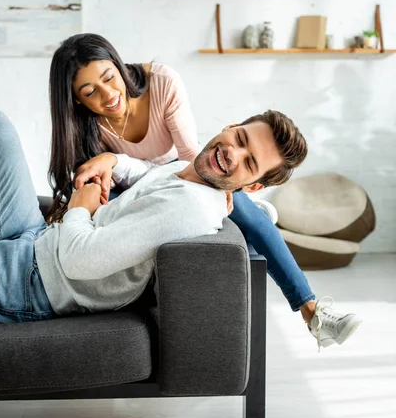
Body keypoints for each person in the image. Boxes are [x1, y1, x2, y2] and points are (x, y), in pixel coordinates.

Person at [47, 34, 362, 349]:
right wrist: (105, 167)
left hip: (179, 170)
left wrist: (218, 189)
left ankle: (309, 308)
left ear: (118, 65)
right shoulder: (82, 121)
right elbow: (93, 177)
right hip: (134, 183)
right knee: (104, 221)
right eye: (89, 92)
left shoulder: (162, 82)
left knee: (239, 203)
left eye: (109, 78)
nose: (108, 94)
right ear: (76, 99)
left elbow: (192, 157)